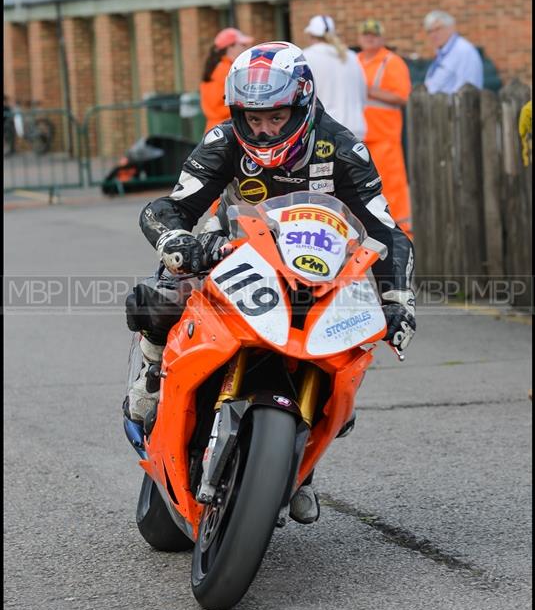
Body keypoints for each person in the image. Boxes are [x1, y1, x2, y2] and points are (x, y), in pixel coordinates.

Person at [125, 41, 416, 524]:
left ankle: (300, 461)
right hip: (233, 250)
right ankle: (151, 378)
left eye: (276, 118)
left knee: (352, 349)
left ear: (301, 104)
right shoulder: (224, 141)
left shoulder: (344, 148)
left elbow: (386, 230)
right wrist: (177, 238)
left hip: (317, 268)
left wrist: (398, 299)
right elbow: (169, 207)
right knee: (157, 297)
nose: (263, 130)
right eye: (253, 118)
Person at [357, 19, 413, 237]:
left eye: (373, 34)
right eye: (365, 34)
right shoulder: (355, 60)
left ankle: (403, 235)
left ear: (382, 38)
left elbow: (403, 96)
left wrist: (369, 91)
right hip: (361, 137)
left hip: (385, 137)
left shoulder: (391, 61)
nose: (369, 38)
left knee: (392, 188)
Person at [303, 14, 367, 140]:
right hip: (356, 129)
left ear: (311, 35)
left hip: (326, 131)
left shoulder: (306, 57)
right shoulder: (352, 57)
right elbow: (363, 97)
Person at [199, 27, 253, 133]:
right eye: (242, 45)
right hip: (228, 130)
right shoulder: (228, 70)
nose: (247, 48)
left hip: (215, 130)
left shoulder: (216, 68)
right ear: (230, 47)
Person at [423, 10, 483, 94]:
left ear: (450, 28)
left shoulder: (463, 51)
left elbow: (468, 90)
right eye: (430, 31)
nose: (433, 35)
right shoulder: (443, 53)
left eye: (438, 29)